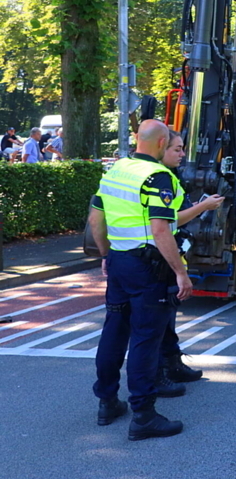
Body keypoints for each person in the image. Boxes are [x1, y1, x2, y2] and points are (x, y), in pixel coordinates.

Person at [89, 119, 193, 439]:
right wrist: (180, 272)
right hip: (148, 268)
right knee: (146, 340)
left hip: (119, 262)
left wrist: (106, 254)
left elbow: (95, 219)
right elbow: (161, 230)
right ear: (162, 142)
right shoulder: (157, 177)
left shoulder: (116, 169)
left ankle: (107, 402)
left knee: (114, 331)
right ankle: (144, 415)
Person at [158, 131, 224, 386]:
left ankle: (171, 363)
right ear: (161, 148)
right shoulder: (158, 179)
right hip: (156, 257)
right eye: (177, 149)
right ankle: (156, 377)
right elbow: (167, 221)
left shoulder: (169, 176)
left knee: (167, 315)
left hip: (159, 254)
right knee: (156, 320)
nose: (183, 154)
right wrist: (201, 207)